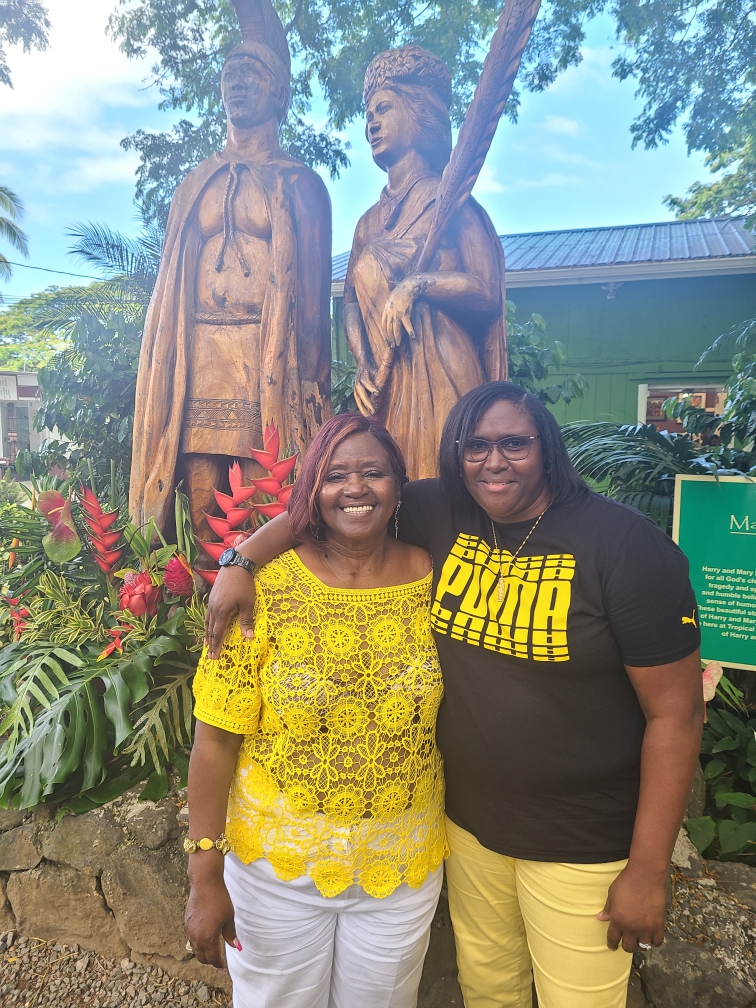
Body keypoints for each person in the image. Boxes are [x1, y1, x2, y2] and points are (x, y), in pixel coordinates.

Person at [204, 381, 703, 1008]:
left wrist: (648, 869)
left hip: (582, 841)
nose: (494, 462)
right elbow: (330, 503)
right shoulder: (444, 510)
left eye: (515, 444)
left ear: (547, 445)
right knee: (490, 993)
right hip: (469, 831)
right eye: (477, 446)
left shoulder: (624, 546)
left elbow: (677, 714)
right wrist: (242, 560)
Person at [185, 413, 446, 1008]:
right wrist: (204, 874)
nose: (355, 489)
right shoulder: (262, 586)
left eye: (373, 473)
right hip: (275, 870)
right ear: (311, 493)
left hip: (401, 870)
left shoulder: (435, 577)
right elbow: (216, 738)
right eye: (335, 476)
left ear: (399, 486)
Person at [129, 0, 331, 538]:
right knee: (199, 487)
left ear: (280, 92)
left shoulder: (301, 184)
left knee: (268, 483)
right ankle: (192, 601)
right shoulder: (196, 184)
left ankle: (261, 592)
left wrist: (314, 384)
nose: (238, 82)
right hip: (199, 351)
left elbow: (313, 304)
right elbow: (170, 284)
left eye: (253, 72)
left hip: (267, 355)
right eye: (230, 73)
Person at [344, 45, 507, 480]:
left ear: (418, 115)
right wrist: (362, 363)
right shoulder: (367, 224)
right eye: (368, 114)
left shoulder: (451, 203)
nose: (371, 123)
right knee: (395, 501)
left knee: (446, 492)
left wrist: (416, 286)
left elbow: (487, 292)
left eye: (383, 109)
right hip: (388, 378)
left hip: (444, 370)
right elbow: (349, 303)